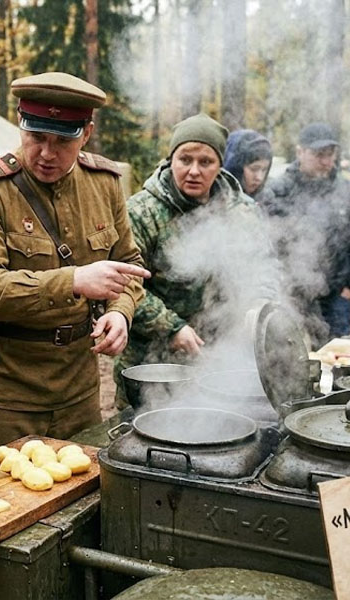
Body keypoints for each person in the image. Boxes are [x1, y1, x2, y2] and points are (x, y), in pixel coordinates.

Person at [0, 72, 150, 446]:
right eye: (36, 137)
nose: (46, 153)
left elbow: (129, 263)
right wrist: (73, 280)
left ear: (86, 133)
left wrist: (120, 312)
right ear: (20, 124)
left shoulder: (104, 182)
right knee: (8, 501)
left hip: (81, 394)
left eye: (62, 141)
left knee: (87, 498)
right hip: (8, 398)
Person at [113, 113, 278, 407]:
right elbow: (126, 282)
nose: (193, 171)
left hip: (220, 358)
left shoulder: (243, 211)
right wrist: (171, 327)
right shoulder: (142, 211)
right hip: (151, 366)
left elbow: (264, 265)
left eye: (206, 162)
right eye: (185, 159)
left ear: (220, 165)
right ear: (170, 159)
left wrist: (258, 304)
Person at [263, 122, 350, 342]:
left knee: (338, 359)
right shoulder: (277, 191)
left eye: (330, 154)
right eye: (319, 154)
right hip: (290, 296)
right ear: (300, 151)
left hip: (336, 297)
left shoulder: (344, 191)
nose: (326, 161)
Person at [224, 129, 273, 201]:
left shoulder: (268, 201)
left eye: (264, 170)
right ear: (237, 168)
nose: (259, 178)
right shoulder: (216, 201)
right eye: (254, 169)